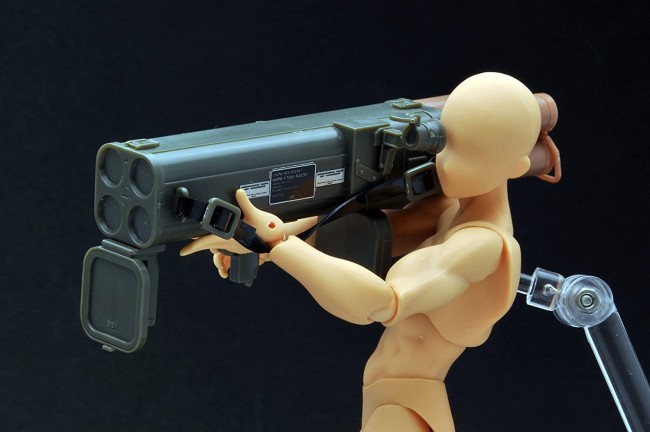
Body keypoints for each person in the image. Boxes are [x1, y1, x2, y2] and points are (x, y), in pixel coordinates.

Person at [181, 72, 542, 431]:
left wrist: (279, 245)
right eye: (445, 143)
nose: (445, 162)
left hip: (407, 406)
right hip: (392, 398)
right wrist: (256, 239)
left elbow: (381, 303)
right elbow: (352, 225)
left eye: (471, 153)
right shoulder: (449, 210)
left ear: (518, 166)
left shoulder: (483, 245)